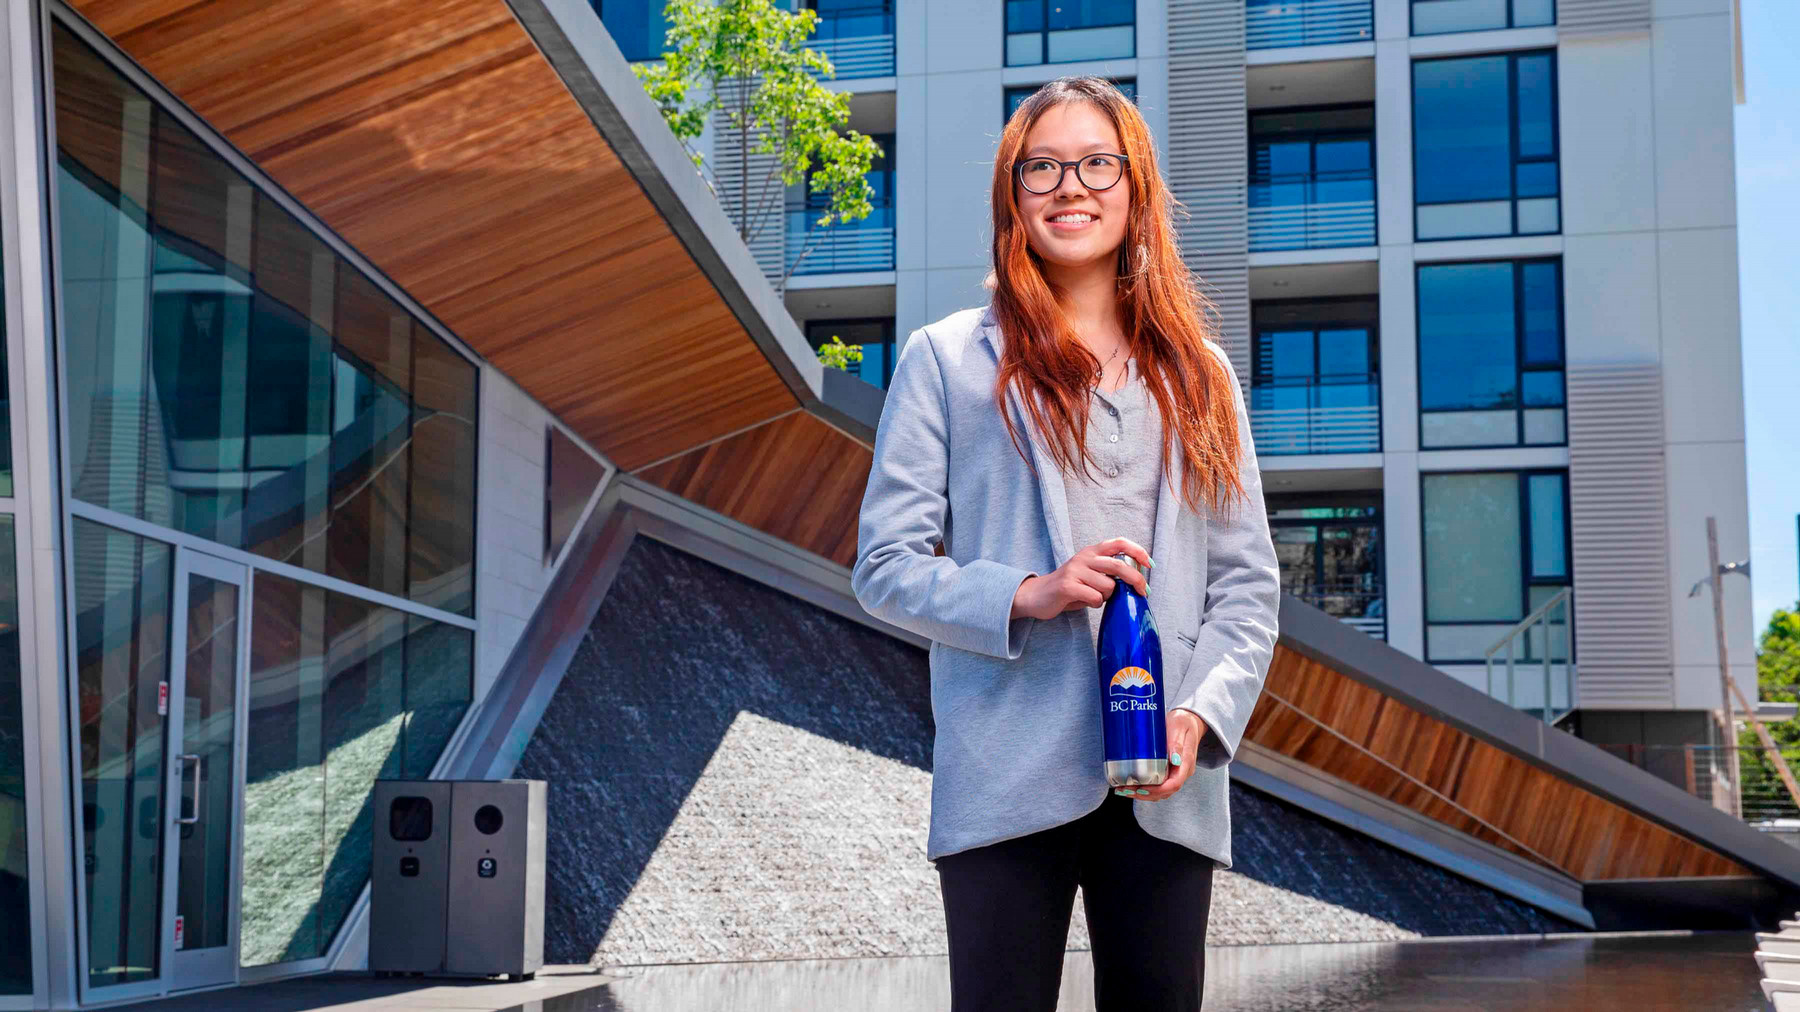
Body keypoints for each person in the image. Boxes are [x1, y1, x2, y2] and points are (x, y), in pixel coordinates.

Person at [849, 77, 1281, 1011]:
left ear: (1136, 189)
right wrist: (1028, 592)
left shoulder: (1201, 378)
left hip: (1165, 783)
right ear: (1014, 193)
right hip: (1007, 775)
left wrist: (1197, 719)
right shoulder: (948, 359)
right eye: (1041, 167)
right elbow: (884, 568)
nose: (1068, 186)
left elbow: (1247, 591)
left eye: (1095, 163)